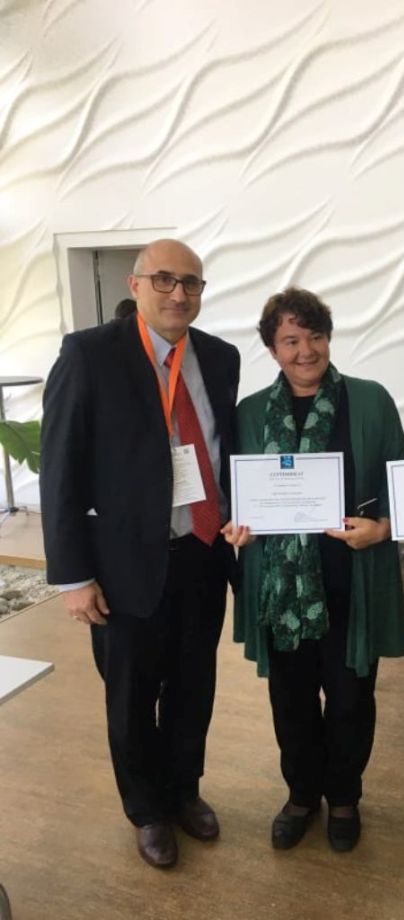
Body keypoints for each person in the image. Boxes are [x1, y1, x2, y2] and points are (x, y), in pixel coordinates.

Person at [40, 239, 240, 870]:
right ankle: (146, 809)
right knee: (130, 695)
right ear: (135, 284)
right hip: (123, 564)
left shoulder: (221, 357)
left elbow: (223, 450)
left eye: (191, 283)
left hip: (203, 552)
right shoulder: (89, 354)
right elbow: (60, 468)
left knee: (193, 684)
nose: (178, 293)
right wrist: (74, 576)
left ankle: (183, 790)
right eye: (164, 280)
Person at [222, 287, 404, 853]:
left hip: (350, 580)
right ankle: (302, 795)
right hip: (281, 590)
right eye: (290, 340)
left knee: (351, 700)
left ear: (329, 338)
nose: (306, 351)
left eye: (315, 336)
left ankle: (345, 796)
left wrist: (383, 529)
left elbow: (400, 485)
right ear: (272, 349)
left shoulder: (370, 401)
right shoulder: (249, 412)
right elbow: (235, 493)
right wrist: (237, 525)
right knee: (291, 700)